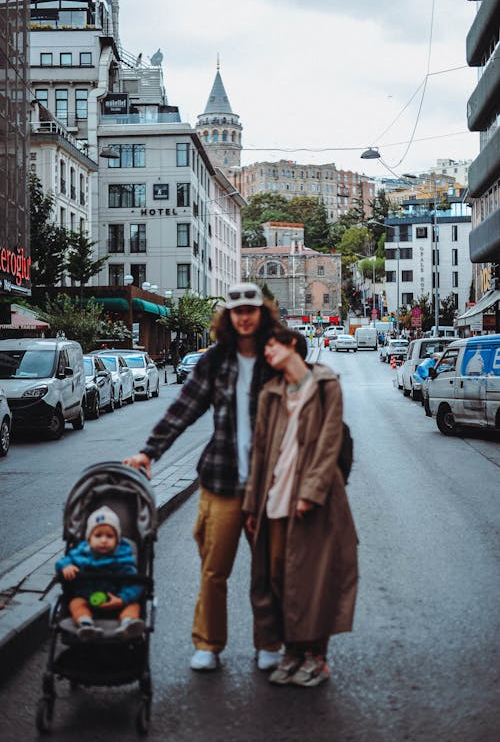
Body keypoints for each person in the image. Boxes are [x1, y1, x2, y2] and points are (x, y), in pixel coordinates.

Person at [123, 282, 283, 672]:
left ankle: (268, 644)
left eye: (251, 309)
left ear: (261, 314)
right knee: (214, 568)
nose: (244, 317)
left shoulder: (276, 358)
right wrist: (149, 451)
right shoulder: (215, 361)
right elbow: (184, 408)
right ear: (228, 316)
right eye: (237, 310)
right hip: (222, 481)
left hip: (268, 486)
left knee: (269, 569)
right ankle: (208, 644)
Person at [243, 327, 358, 687]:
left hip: (316, 501)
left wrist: (310, 492)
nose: (267, 354)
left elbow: (329, 442)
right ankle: (293, 651)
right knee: (279, 579)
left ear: (292, 344)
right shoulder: (270, 394)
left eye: (271, 346)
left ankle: (316, 656)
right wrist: (251, 505)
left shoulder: (326, 385)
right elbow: (260, 453)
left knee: (315, 580)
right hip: (274, 499)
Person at [55, 506, 145, 640]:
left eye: (110, 536)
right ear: (89, 539)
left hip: (117, 601)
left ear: (117, 541)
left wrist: (122, 599)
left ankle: (127, 624)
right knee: (76, 603)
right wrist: (66, 566)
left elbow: (134, 583)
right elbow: (62, 561)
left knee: (133, 605)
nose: (104, 540)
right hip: (87, 599)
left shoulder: (123, 559)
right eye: (98, 535)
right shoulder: (80, 554)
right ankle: (85, 624)